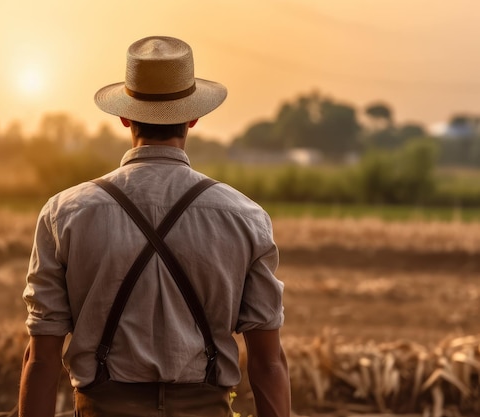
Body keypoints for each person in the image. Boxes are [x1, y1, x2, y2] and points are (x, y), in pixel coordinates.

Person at [19, 35, 290, 417]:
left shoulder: (65, 213)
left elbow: (41, 359)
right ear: (194, 116)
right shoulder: (244, 217)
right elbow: (268, 362)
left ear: (124, 115)